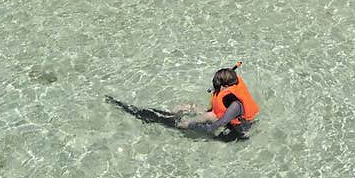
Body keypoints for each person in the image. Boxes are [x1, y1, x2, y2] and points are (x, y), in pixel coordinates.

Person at [107, 62, 260, 143]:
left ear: (225, 86)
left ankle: (180, 122)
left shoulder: (234, 105)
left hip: (235, 130)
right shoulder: (231, 86)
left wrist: (191, 125)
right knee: (191, 106)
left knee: (203, 119)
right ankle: (174, 114)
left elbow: (217, 124)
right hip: (225, 118)